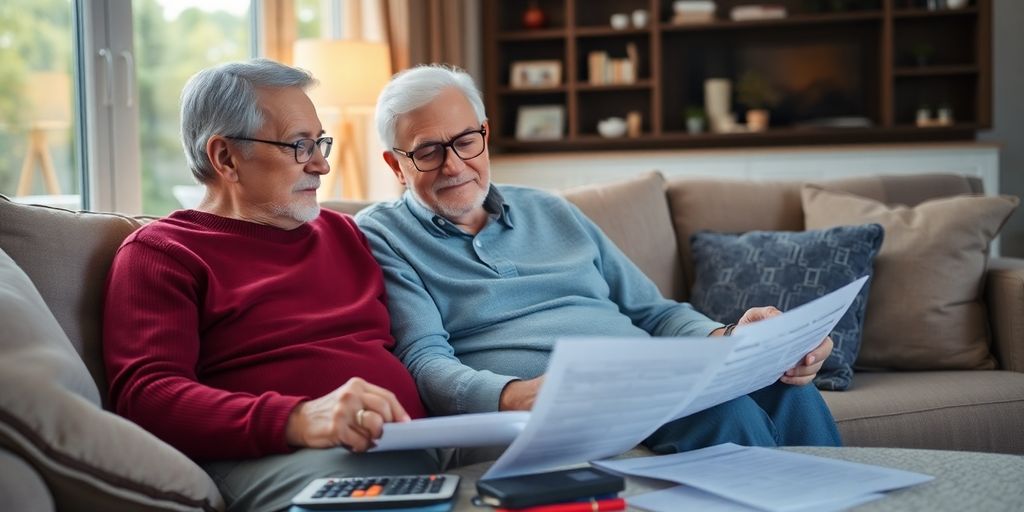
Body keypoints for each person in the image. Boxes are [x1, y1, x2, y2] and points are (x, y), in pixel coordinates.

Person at [355, 64, 841, 459]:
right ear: (395, 165)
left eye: (465, 141)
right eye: (428, 152)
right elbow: (424, 359)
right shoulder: (384, 234)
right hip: (575, 400)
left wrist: (734, 339)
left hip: (649, 373)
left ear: (484, 133)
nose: (455, 166)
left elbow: (657, 313)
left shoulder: (551, 209)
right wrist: (513, 394)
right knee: (725, 413)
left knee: (790, 390)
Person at [102, 59, 439, 512]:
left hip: (424, 442)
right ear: (225, 158)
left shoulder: (346, 233)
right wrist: (298, 419)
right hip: (300, 457)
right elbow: (147, 396)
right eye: (300, 145)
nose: (321, 164)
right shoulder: (163, 253)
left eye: (320, 142)